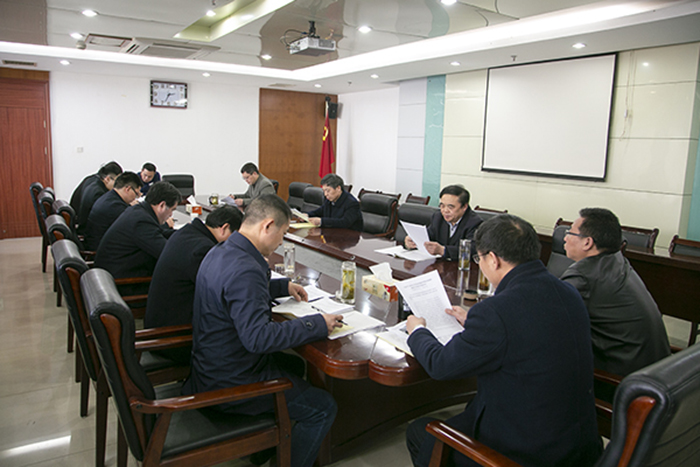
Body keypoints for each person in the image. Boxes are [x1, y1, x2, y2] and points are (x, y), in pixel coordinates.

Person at [405, 215, 602, 467]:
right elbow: (529, 328)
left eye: (479, 259)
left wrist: (418, 331)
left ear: (493, 259)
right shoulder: (568, 291)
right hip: (578, 443)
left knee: (422, 432)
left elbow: (441, 365)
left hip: (528, 453)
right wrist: (476, 323)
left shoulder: (496, 311)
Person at [186, 194, 342, 467]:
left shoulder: (222, 250)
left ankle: (268, 447)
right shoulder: (245, 268)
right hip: (231, 382)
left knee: (294, 364)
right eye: (282, 233)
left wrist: (282, 287)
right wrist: (316, 323)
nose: (282, 241)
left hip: (208, 367)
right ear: (268, 226)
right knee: (323, 407)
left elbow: (235, 291)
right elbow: (258, 339)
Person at [561, 207, 671, 378]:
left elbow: (548, 319)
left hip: (621, 380)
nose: (565, 237)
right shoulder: (618, 261)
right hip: (656, 371)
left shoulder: (584, 276)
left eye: (570, 232)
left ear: (587, 242)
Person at [144, 205, 243, 364]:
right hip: (175, 340)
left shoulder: (187, 233)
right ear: (224, 228)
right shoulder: (203, 250)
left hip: (160, 326)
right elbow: (227, 291)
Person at [95, 181, 181, 295]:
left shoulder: (139, 211)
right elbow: (167, 254)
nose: (171, 215)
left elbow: (160, 233)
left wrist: (184, 234)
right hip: (122, 285)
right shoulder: (141, 221)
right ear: (162, 205)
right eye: (172, 210)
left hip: (113, 275)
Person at [405, 185, 482, 260]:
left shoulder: (474, 222)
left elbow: (473, 249)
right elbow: (428, 235)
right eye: (442, 206)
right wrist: (412, 241)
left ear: (464, 207)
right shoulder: (438, 217)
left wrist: (443, 250)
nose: (445, 210)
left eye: (450, 207)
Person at [83, 172, 143, 251]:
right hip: (100, 250)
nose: (135, 198)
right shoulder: (115, 206)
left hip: (95, 242)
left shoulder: (109, 197)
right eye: (136, 194)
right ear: (128, 189)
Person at [72, 162, 123, 234]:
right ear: (107, 179)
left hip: (77, 223)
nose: (119, 186)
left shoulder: (91, 179)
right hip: (85, 231)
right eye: (117, 182)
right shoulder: (99, 193)